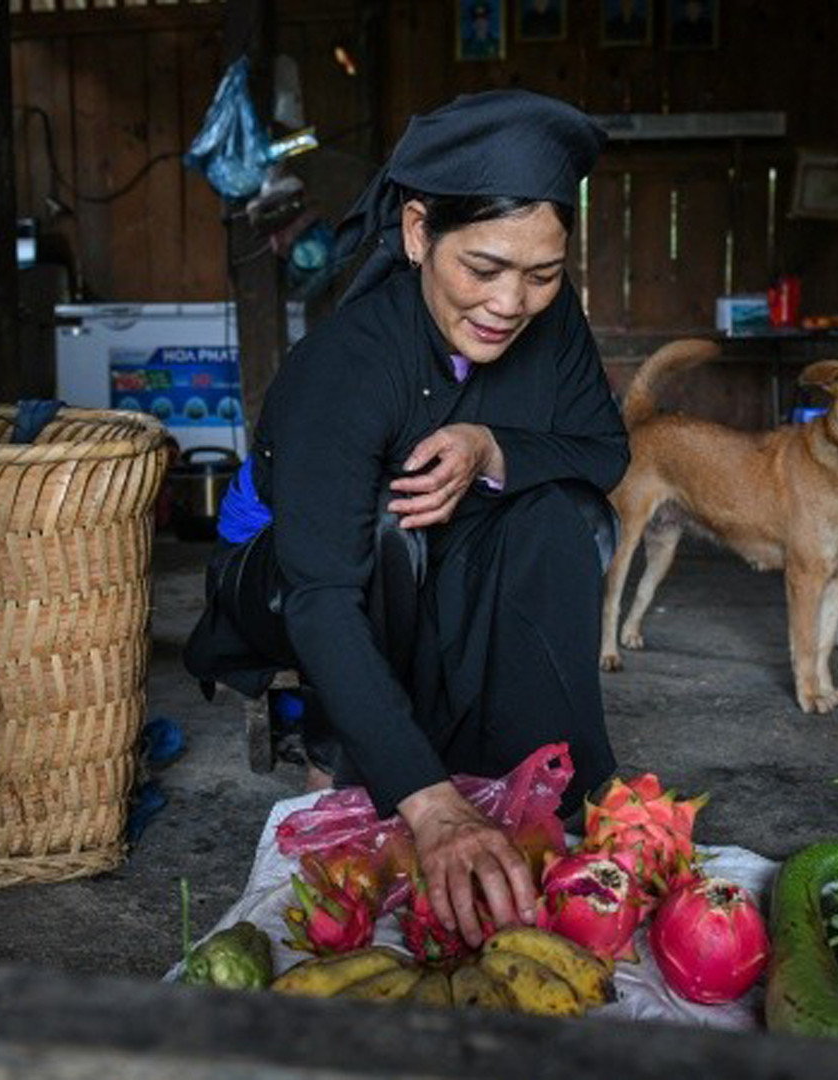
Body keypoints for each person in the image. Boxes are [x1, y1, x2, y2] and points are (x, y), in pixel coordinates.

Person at [185, 90, 625, 949]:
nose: (512, 303)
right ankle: (350, 759)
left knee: (568, 514)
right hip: (280, 578)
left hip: (426, 554)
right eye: (484, 269)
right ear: (419, 232)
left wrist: (492, 447)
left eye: (542, 275)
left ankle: (537, 792)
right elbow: (319, 597)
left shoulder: (550, 317)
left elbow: (602, 452)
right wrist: (432, 808)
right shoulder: (348, 365)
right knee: (395, 524)